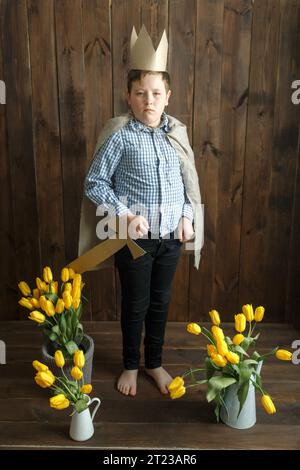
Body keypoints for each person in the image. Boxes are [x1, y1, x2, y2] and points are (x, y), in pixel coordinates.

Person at [83, 26, 203, 397]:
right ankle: (131, 365)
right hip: (135, 241)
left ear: (168, 95)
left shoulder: (177, 134)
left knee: (161, 302)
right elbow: (95, 182)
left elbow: (189, 183)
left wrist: (187, 215)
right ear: (128, 96)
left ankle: (154, 362)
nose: (148, 101)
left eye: (155, 93)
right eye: (140, 93)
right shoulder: (120, 135)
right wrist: (125, 216)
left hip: (170, 239)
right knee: (135, 303)